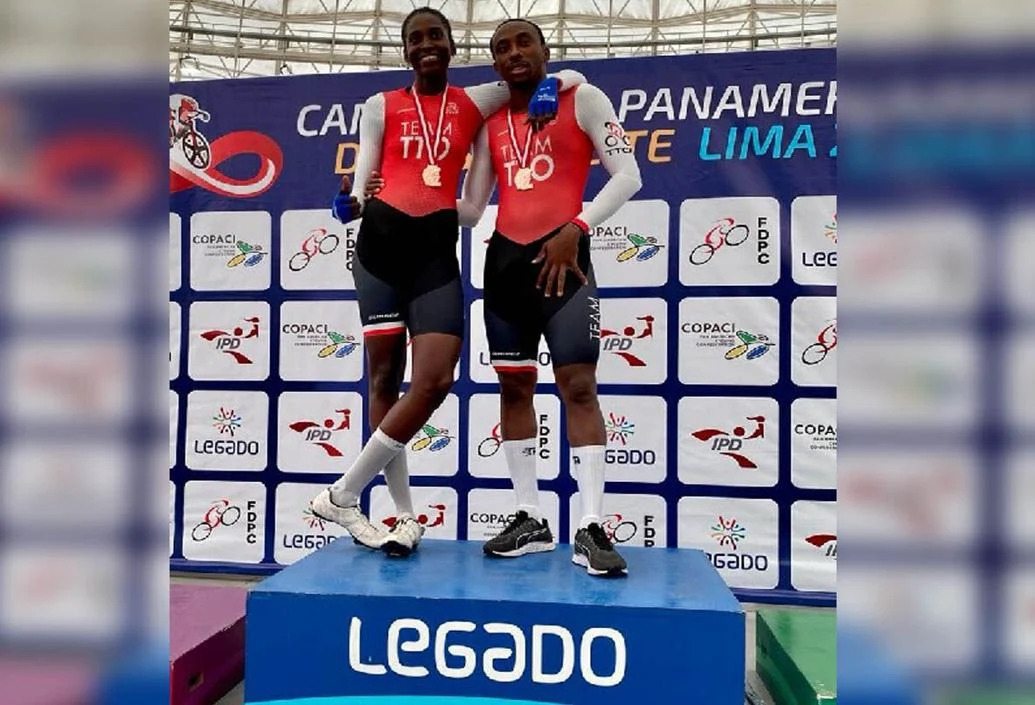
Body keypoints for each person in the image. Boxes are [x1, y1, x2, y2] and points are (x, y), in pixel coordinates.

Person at [310, 7, 587, 558]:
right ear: (406, 50)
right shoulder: (379, 105)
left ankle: (344, 493)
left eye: (436, 35)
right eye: (416, 39)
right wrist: (352, 200)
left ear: (452, 44)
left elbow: (562, 77)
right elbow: (364, 173)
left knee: (434, 380)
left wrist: (553, 85)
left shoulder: (475, 100)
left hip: (434, 254)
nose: (427, 44)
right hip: (380, 251)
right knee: (384, 380)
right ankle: (402, 516)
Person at [368, 19, 642, 574]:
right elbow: (472, 206)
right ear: (493, 63)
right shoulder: (491, 121)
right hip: (505, 267)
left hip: (566, 260)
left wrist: (578, 228)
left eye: (523, 43)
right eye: (501, 48)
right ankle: (530, 517)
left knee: (579, 387)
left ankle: (591, 525)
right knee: (514, 388)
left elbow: (628, 175)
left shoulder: (583, 98)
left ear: (544, 51)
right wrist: (398, 199)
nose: (513, 53)